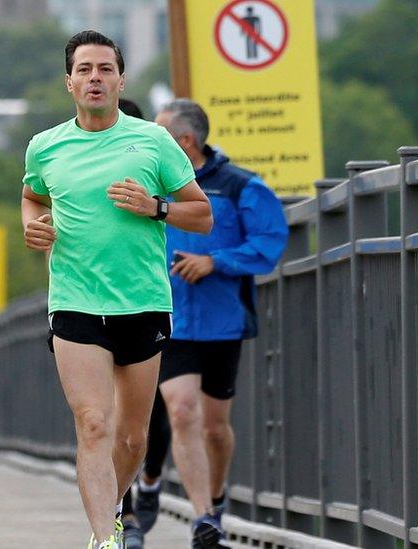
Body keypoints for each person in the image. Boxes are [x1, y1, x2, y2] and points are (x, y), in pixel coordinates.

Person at [21, 31, 212, 549]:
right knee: (92, 423)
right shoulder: (46, 145)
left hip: (142, 301)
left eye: (105, 69)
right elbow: (32, 196)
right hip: (75, 300)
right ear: (69, 82)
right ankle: (105, 536)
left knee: (132, 438)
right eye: (84, 70)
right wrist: (33, 225)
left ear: (121, 79)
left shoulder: (153, 141)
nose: (95, 78)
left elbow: (203, 215)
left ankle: (111, 510)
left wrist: (156, 207)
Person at [153, 98, 288, 545]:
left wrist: (216, 261)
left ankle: (217, 496)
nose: (152, 143)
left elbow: (269, 243)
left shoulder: (241, 186)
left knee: (214, 427)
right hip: (169, 318)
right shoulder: (151, 186)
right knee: (181, 408)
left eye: (161, 135)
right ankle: (203, 517)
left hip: (223, 322)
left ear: (186, 141)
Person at [110, 97, 174, 549]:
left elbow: (200, 213)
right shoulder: (67, 154)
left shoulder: (156, 154)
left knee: (153, 414)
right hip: (87, 304)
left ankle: (150, 478)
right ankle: (121, 514)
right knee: (101, 419)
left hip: (154, 303)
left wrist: (156, 207)